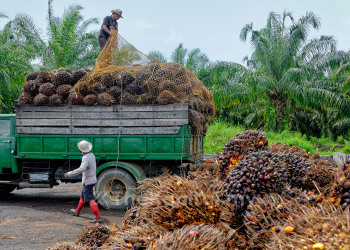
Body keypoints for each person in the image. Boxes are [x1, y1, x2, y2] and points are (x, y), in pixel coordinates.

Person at [64, 140, 102, 223]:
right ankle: (77, 212)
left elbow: (82, 168)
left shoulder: (85, 158)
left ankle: (98, 217)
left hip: (88, 181)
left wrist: (70, 174)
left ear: (80, 150)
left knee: (90, 199)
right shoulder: (91, 155)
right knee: (83, 196)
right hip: (92, 180)